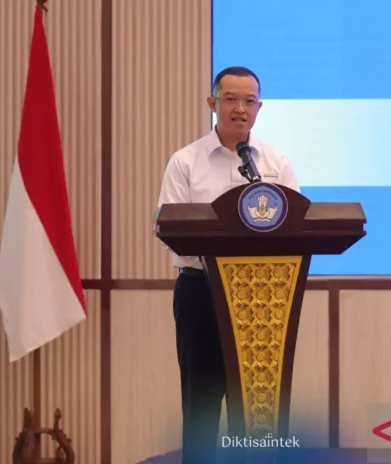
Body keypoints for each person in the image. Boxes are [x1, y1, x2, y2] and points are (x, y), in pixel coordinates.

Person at [156, 66, 300, 463]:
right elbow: (170, 228)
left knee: (257, 406)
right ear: (212, 103)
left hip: (262, 300)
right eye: (231, 99)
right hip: (201, 293)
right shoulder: (186, 162)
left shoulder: (276, 162)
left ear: (259, 107)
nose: (240, 109)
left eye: (249, 101)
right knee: (201, 403)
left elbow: (297, 226)